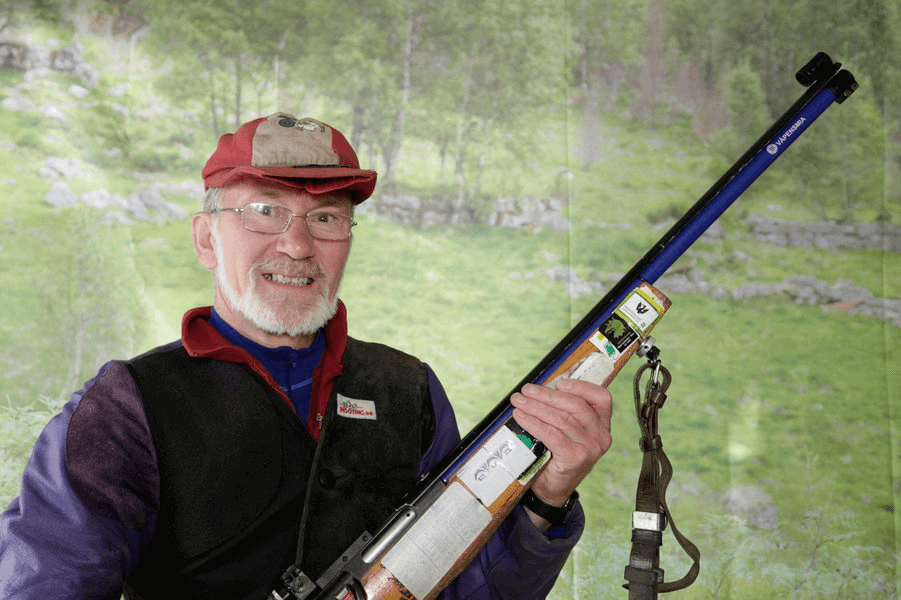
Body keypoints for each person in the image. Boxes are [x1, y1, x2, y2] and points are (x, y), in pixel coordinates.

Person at [0, 113, 613, 599]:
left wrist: (544, 496)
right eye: (265, 211)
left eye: (325, 217)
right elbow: (45, 582)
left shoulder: (409, 390)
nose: (297, 245)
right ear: (206, 237)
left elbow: (461, 588)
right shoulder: (129, 405)